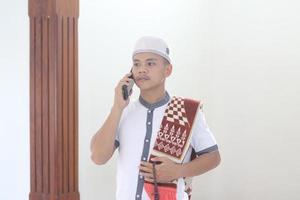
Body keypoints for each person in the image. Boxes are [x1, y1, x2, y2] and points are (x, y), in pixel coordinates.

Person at [90, 36, 221, 200]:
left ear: (168, 70)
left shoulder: (186, 112)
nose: (141, 69)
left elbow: (213, 157)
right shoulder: (122, 112)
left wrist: (178, 171)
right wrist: (117, 108)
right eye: (136, 64)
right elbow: (97, 157)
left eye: (150, 63)